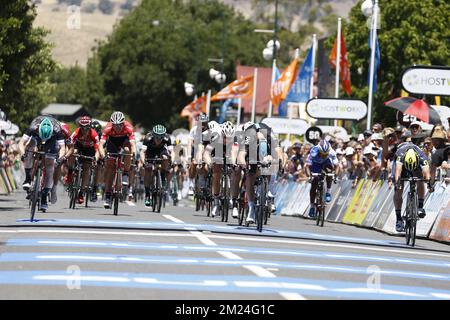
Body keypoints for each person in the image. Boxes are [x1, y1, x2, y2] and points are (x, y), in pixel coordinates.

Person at [18, 116, 66, 212]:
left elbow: (63, 148)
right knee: (29, 148)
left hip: (51, 141)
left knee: (50, 168)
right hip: (36, 137)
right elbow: (21, 143)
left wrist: (60, 159)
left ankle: (44, 197)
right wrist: (23, 154)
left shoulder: (57, 130)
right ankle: (28, 178)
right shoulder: (33, 126)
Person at [98, 111, 137, 209]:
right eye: (115, 125)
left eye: (120, 125)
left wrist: (134, 154)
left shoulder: (128, 128)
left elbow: (133, 144)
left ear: (123, 123)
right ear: (112, 124)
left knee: (128, 150)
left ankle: (125, 173)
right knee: (110, 167)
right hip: (112, 143)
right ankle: (107, 196)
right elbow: (101, 145)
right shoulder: (107, 128)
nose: (117, 127)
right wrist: (103, 155)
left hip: (124, 141)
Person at [393, 142, 432, 232]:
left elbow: (427, 175)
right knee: (399, 188)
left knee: (420, 179)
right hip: (401, 165)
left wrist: (429, 184)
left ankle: (420, 207)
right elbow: (398, 172)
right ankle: (398, 219)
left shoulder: (422, 156)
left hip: (416, 165)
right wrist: (397, 183)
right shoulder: (400, 156)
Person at [64, 116, 100, 204]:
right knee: (73, 152)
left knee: (87, 168)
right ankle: (70, 171)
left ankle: (81, 192)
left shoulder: (94, 134)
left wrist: (95, 158)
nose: (84, 130)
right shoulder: (76, 132)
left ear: (90, 127)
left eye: (86, 128)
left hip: (90, 150)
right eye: (82, 128)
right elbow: (69, 145)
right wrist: (67, 155)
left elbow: (98, 150)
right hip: (78, 147)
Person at [140, 124, 172, 207]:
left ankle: (162, 176)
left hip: (161, 151)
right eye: (156, 137)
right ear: (153, 135)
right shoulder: (148, 138)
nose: (158, 140)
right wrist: (144, 162)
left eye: (160, 137)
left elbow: (172, 152)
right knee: (147, 169)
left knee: (165, 158)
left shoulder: (167, 138)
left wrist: (172, 160)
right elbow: (142, 152)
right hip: (150, 151)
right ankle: (147, 195)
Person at [304, 140, 337, 218]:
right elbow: (307, 166)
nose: (323, 156)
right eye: (322, 154)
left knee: (329, 172)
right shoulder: (314, 152)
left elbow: (337, 165)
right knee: (314, 182)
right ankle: (312, 206)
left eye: (326, 154)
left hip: (326, 163)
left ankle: (328, 192)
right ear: (319, 151)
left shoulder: (332, 152)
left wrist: (334, 175)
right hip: (315, 164)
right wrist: (310, 176)